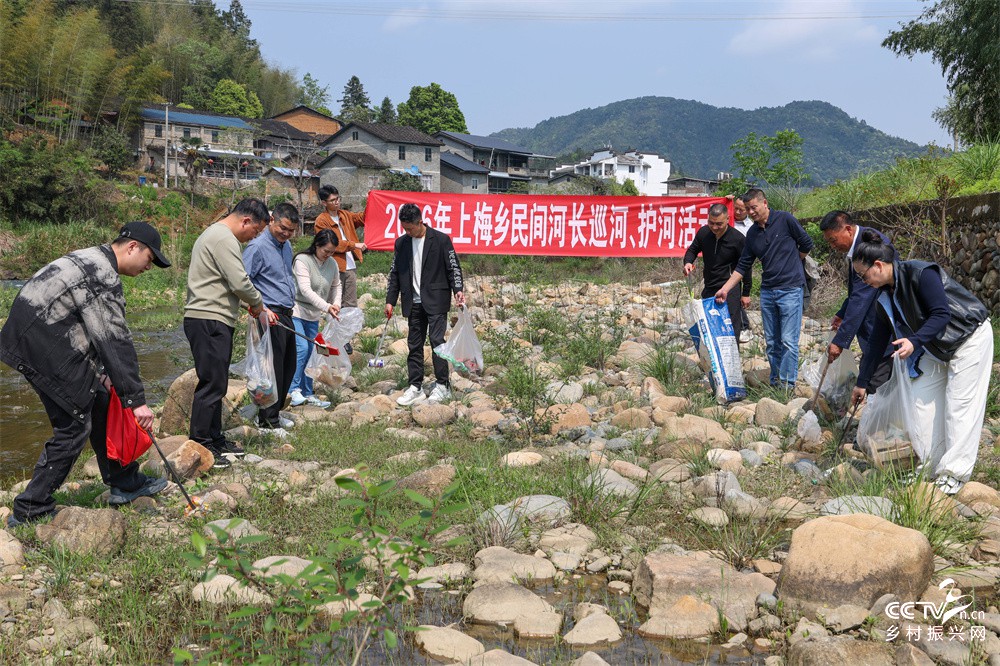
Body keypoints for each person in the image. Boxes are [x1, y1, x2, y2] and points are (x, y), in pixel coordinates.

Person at [2, 222, 172, 527]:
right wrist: (137, 400)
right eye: (150, 258)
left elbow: (87, 325)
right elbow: (114, 339)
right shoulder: (102, 276)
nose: (150, 266)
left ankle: (124, 481)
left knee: (102, 398)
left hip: (37, 336)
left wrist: (103, 374)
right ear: (132, 247)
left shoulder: (92, 257)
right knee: (74, 424)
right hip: (40, 344)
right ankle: (30, 508)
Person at [850, 230, 993, 494]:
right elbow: (875, 344)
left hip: (969, 338)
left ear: (878, 266)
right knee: (919, 404)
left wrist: (914, 341)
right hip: (936, 347)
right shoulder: (884, 297)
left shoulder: (920, 273)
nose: (862, 281)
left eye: (863, 275)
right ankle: (927, 466)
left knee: (959, 406)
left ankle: (954, 474)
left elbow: (941, 313)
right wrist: (862, 383)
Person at [184, 198, 270, 465]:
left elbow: (225, 283)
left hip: (213, 316)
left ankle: (214, 437)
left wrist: (246, 303)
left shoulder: (217, 234)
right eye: (254, 232)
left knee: (217, 381)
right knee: (212, 383)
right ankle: (201, 444)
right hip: (209, 318)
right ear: (246, 221)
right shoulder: (224, 238)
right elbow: (239, 280)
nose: (251, 238)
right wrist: (257, 303)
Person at [715, 188, 814, 388]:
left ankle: (787, 385)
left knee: (788, 340)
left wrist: (794, 261)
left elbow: (806, 243)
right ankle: (775, 381)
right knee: (771, 342)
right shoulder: (752, 233)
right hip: (768, 291)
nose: (751, 212)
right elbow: (743, 265)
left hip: (791, 289)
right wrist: (725, 289)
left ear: (765, 203)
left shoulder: (785, 220)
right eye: (747, 209)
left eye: (754, 207)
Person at [385, 203, 466, 406]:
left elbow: (453, 267)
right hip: (413, 301)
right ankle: (416, 387)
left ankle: (442, 385)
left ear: (420, 222)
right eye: (404, 228)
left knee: (437, 341)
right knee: (414, 344)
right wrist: (390, 300)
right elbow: (395, 273)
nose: (407, 232)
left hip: (436, 299)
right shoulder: (402, 243)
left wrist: (458, 290)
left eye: (410, 228)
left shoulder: (440, 240)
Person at [820, 210, 895, 393]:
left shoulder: (870, 245)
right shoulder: (860, 242)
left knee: (878, 377)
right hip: (874, 322)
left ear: (848, 230)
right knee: (872, 372)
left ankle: (877, 417)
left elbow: (861, 297)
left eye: (833, 240)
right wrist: (841, 313)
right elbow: (856, 291)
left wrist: (840, 341)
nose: (833, 246)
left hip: (882, 321)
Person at [242, 203, 299, 435]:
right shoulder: (257, 247)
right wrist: (261, 308)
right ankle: (267, 421)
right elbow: (243, 281)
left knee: (288, 365)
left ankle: (274, 413)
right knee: (270, 369)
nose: (286, 234)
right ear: (272, 220)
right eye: (283, 228)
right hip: (268, 313)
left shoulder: (286, 246)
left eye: (291, 231)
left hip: (285, 313)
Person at [683, 203, 751, 343]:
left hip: (730, 289)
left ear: (728, 219)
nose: (714, 227)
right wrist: (688, 262)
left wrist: (746, 293)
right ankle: (712, 362)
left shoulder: (738, 239)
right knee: (709, 327)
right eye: (711, 223)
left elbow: (746, 267)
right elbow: (692, 250)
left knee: (731, 328)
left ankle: (732, 361)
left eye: (719, 224)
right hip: (709, 287)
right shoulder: (704, 233)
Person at [289, 229, 342, 408]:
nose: (328, 255)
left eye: (332, 252)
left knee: (313, 351)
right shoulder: (302, 260)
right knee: (302, 348)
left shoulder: (332, 263)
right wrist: (327, 307)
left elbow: (336, 285)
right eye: (325, 251)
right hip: (297, 309)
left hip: (313, 313)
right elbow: (305, 290)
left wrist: (336, 304)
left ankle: (307, 391)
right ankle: (292, 390)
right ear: (317, 245)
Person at [314, 185, 366, 353]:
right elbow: (332, 244)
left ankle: (346, 338)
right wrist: (354, 245)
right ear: (324, 202)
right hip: (334, 266)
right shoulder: (321, 221)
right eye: (333, 200)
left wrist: (372, 201)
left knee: (350, 303)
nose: (337, 202)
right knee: (335, 304)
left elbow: (362, 218)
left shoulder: (344, 215)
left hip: (350, 266)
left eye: (338, 199)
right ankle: (336, 336)